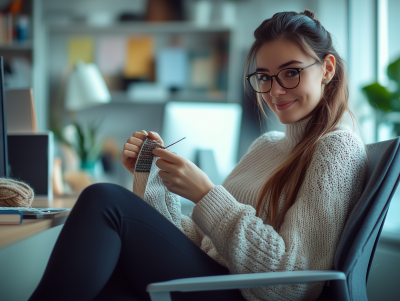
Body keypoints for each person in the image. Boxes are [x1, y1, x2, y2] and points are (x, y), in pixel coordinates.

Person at [29, 9, 368, 301]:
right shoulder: (266, 146)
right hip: (218, 279)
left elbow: (295, 283)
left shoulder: (336, 148)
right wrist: (151, 178)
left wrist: (206, 194)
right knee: (110, 279)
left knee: (105, 200)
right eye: (264, 77)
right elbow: (206, 243)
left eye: (291, 72)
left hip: (243, 293)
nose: (275, 90)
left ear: (327, 68)